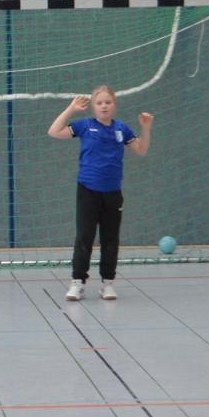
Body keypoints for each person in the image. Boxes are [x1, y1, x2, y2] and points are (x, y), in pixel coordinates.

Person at [47, 85, 152, 300]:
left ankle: (107, 283)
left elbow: (141, 150)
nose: (104, 106)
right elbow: (54, 131)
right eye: (99, 103)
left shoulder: (122, 129)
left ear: (114, 105)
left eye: (108, 102)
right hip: (88, 191)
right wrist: (71, 109)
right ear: (93, 107)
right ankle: (77, 282)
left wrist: (146, 128)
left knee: (110, 239)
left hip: (112, 192)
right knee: (84, 237)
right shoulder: (85, 126)